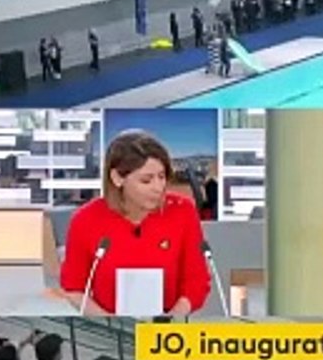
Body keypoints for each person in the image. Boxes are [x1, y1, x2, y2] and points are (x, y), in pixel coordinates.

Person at [59, 130, 211, 317]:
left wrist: (172, 320)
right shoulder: (85, 220)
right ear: (117, 178)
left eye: (162, 177)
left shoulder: (182, 211)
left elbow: (197, 281)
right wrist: (110, 323)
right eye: (146, 180)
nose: (158, 187)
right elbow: (74, 288)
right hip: (109, 330)